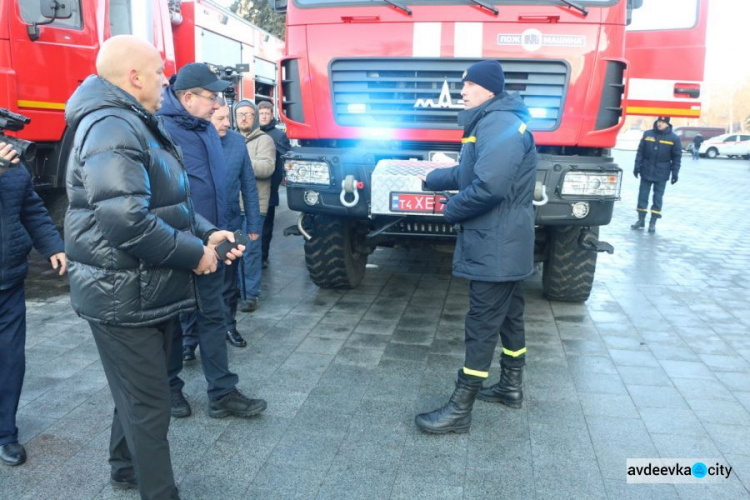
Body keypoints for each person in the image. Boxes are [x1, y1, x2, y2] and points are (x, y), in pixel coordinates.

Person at [64, 36, 243, 498]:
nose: (167, 78)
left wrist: (207, 233)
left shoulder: (133, 122)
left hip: (139, 287)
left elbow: (169, 202)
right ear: (134, 77)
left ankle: (125, 468)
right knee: (150, 403)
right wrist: (194, 254)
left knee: (136, 394)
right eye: (160, 70)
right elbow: (126, 220)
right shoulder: (111, 126)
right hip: (120, 292)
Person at [414, 60, 537, 434]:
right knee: (510, 316)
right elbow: (474, 172)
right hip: (507, 241)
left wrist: (451, 208)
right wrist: (433, 177)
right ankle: (510, 387)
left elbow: (489, 187)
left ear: (488, 89)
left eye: (468, 85)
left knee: (481, 324)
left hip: (495, 242)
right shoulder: (495, 121)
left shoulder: (497, 123)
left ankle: (459, 409)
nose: (462, 90)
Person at [158, 63, 267, 420]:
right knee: (173, 320)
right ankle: (171, 389)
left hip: (213, 240)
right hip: (177, 244)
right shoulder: (161, 130)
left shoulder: (206, 130)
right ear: (187, 98)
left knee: (214, 314)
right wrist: (187, 242)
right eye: (211, 96)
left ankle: (222, 393)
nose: (218, 104)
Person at [0, 143, 65, 467]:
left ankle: (5, 433)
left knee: (10, 361)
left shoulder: (11, 161)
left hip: (9, 281)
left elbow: (31, 207)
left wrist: (53, 245)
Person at [208, 99, 262, 348]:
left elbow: (249, 186)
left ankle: (229, 327)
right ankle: (189, 340)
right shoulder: (195, 141)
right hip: (199, 225)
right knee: (196, 283)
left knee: (229, 283)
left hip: (230, 223)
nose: (226, 124)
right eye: (220, 119)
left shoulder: (236, 142)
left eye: (227, 118)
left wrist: (253, 226)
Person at [234, 100, 276, 312]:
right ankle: (236, 291)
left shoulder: (264, 140)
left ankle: (250, 295)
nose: (244, 118)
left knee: (250, 252)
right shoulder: (230, 139)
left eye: (249, 114)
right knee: (233, 252)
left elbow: (266, 168)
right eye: (240, 114)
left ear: (256, 117)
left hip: (254, 208)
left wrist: (240, 162)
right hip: (233, 206)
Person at [631, 116, 681, 233]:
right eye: (659, 121)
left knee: (657, 198)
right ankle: (641, 220)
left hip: (662, 173)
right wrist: (637, 166)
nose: (660, 124)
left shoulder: (674, 138)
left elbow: (677, 158)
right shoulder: (647, 134)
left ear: (668, 124)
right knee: (642, 196)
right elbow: (640, 152)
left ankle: (653, 222)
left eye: (663, 122)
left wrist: (675, 173)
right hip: (646, 170)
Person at [257, 101, 291, 268]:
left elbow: (285, 159)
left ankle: (263, 256)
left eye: (266, 113)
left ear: (271, 116)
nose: (263, 116)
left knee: (266, 225)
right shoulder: (250, 132)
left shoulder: (279, 136)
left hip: (269, 188)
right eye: (261, 113)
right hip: (249, 188)